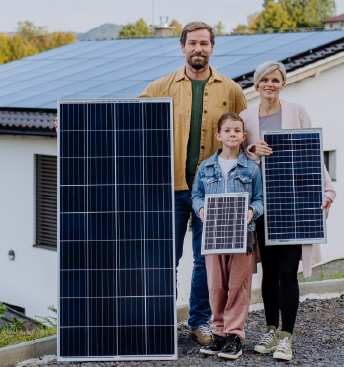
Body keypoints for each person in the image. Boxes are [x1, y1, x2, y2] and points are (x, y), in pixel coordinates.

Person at [139, 22, 247, 345]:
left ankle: (199, 321)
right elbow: (126, 121)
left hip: (214, 193)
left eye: (204, 43)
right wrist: (73, 122)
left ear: (212, 48)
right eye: (192, 43)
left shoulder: (231, 90)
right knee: (163, 256)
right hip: (170, 188)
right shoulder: (160, 87)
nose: (198, 49)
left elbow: (245, 133)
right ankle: (158, 321)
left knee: (206, 261)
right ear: (182, 47)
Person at [240, 60, 336, 361]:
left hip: (294, 203)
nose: (270, 84)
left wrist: (328, 191)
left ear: (283, 83)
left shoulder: (297, 112)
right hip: (262, 205)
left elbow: (312, 152)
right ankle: (270, 330)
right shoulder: (246, 117)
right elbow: (240, 158)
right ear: (257, 84)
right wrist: (252, 151)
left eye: (276, 80)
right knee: (268, 272)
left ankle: (286, 337)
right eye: (264, 79)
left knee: (286, 271)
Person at [191, 112, 264, 360]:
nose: (232, 134)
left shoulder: (252, 169)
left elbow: (261, 199)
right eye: (227, 130)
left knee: (239, 286)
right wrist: (200, 209)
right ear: (218, 135)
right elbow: (197, 196)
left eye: (237, 131)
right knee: (215, 285)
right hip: (213, 234)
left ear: (244, 137)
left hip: (246, 234)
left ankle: (234, 335)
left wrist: (251, 211)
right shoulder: (205, 167)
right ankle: (218, 333)